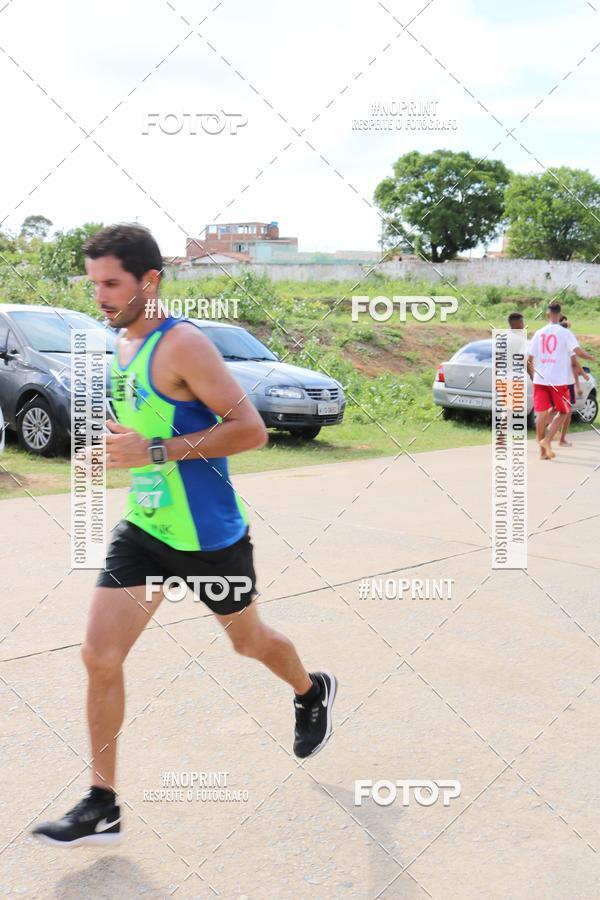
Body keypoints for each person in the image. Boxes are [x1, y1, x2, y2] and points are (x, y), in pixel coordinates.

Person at [32, 224, 337, 848]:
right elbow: (146, 429)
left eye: (111, 283)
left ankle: (311, 690)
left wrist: (156, 449)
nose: (101, 297)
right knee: (99, 656)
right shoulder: (120, 341)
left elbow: (250, 430)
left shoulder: (184, 344)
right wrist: (120, 447)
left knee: (248, 644)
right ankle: (102, 803)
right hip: (145, 528)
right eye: (93, 285)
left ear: (150, 280)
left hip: (208, 538)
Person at [528, 302, 579, 460]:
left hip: (541, 380)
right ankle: (548, 440)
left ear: (547, 315)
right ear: (560, 314)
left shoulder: (539, 333)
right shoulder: (566, 334)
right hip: (559, 381)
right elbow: (575, 360)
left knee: (541, 415)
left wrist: (532, 375)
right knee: (564, 411)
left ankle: (543, 451)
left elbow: (528, 359)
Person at [557, 315, 594, 447]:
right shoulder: (568, 345)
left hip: (553, 382)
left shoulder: (552, 345)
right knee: (566, 412)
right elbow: (575, 363)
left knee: (554, 410)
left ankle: (551, 432)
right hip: (566, 383)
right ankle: (560, 438)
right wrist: (583, 376)